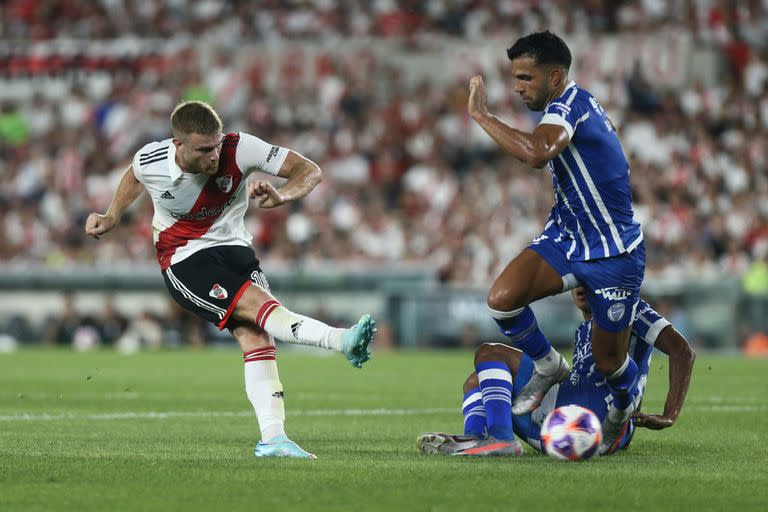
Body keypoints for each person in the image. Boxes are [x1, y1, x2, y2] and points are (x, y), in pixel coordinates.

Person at [85, 100, 376, 459]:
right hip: (184, 257)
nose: (213, 156)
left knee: (257, 336)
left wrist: (282, 194)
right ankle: (341, 339)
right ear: (178, 146)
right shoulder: (152, 160)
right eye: (204, 150)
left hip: (235, 249)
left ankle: (273, 440)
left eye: (216, 145)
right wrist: (113, 215)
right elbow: (134, 174)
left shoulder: (240, 148)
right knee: (262, 309)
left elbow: (309, 170)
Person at [467, 31, 646, 452]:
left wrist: (482, 116)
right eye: (515, 77)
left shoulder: (568, 106)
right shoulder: (569, 105)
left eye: (526, 78)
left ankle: (623, 404)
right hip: (567, 235)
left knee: (609, 361)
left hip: (613, 251)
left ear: (555, 76)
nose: (517, 86)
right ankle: (549, 366)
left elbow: (536, 153)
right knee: (502, 299)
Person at [417, 287, 695, 456]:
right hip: (566, 416)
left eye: (589, 278)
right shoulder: (582, 330)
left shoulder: (628, 310)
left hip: (604, 421)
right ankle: (478, 438)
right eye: (576, 280)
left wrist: (670, 414)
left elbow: (682, 350)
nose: (580, 286)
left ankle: (499, 438)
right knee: (476, 381)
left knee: (491, 352)